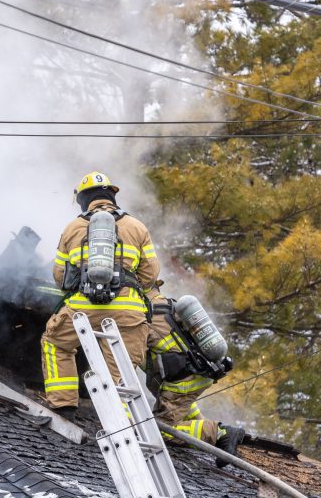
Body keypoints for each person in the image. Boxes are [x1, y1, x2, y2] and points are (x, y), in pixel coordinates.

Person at [41, 171, 159, 420]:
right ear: (111, 196)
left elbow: (60, 276)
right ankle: (123, 425)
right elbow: (150, 275)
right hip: (129, 313)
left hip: (82, 309)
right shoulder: (137, 227)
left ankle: (63, 406)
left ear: (83, 199)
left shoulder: (72, 228)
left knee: (55, 343)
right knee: (120, 374)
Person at [146, 283, 244, 467]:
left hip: (185, 378)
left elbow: (130, 356)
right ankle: (200, 425)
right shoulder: (163, 304)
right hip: (196, 372)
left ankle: (220, 433)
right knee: (179, 403)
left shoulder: (140, 317)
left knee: (161, 429)